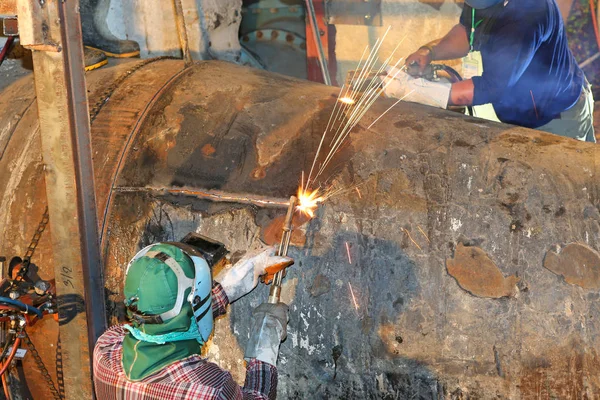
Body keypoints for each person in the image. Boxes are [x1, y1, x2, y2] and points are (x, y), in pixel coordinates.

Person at [93, 239, 293, 400]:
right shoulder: (208, 389)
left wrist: (233, 283)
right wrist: (266, 341)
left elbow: (164, 322)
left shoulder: (105, 349)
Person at [405, 0, 595, 143]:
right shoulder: (483, 2)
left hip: (558, 116)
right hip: (524, 115)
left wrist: (422, 92)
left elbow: (492, 86)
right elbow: (468, 31)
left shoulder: (529, 12)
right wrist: (430, 52)